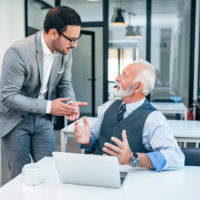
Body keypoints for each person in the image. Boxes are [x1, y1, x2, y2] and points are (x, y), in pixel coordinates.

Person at [0, 6, 87, 178]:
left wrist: (70, 103)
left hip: (43, 120)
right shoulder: (18, 52)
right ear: (54, 33)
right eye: (71, 39)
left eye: (77, 39)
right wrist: (49, 106)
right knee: (22, 176)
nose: (75, 45)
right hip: (16, 119)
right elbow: (8, 96)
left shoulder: (65, 51)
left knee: (49, 172)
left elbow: (65, 83)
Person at [74, 59, 184, 171]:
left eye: (124, 76)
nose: (117, 78)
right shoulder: (108, 106)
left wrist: (133, 158)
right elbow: (94, 140)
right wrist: (87, 140)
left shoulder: (153, 118)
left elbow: (176, 157)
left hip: (131, 183)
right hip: (97, 174)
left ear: (138, 87)